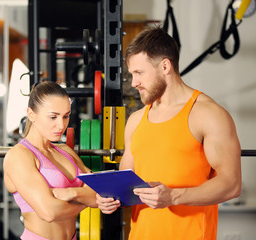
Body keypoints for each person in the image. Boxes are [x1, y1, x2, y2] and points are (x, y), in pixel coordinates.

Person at [96, 26, 242, 240]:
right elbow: (126, 188)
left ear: (165, 66)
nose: (134, 82)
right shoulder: (136, 121)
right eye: (131, 74)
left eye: (139, 73)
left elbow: (231, 184)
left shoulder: (207, 114)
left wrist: (173, 196)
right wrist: (109, 198)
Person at [3, 81, 97, 240]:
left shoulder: (66, 151)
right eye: (53, 117)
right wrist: (87, 200)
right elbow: (49, 212)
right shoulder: (19, 155)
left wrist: (70, 193)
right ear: (31, 114)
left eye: (66, 116)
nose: (61, 125)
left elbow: (97, 190)